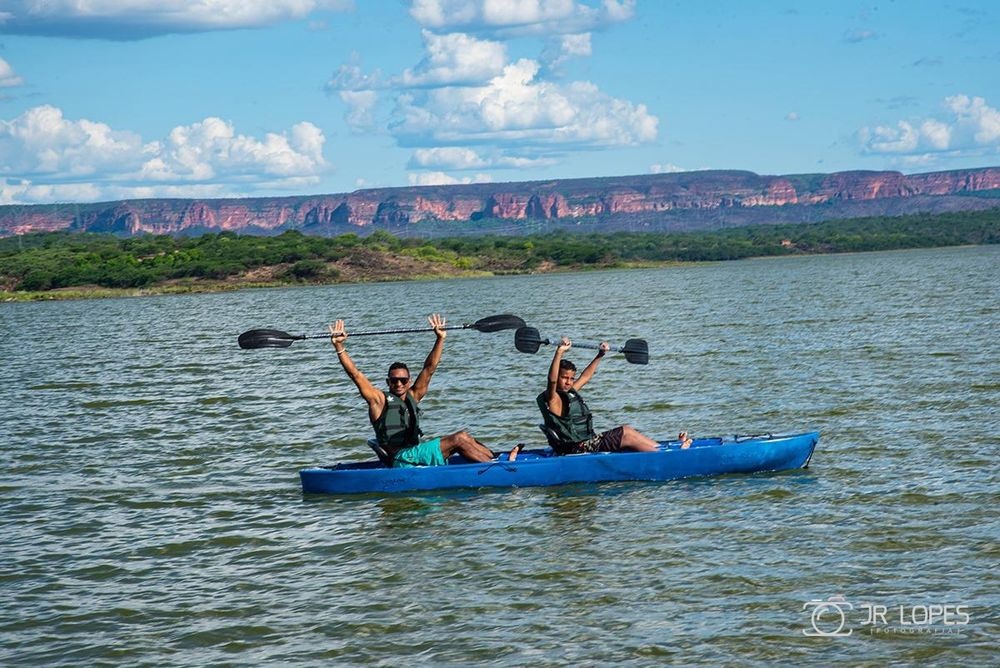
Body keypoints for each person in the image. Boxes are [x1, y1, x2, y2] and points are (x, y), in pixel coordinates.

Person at [329, 314, 512, 467]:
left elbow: (429, 368)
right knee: (459, 439)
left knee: (466, 437)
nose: (399, 384)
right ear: (388, 382)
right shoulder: (379, 400)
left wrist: (440, 339)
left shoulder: (413, 396)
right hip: (403, 459)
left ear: (409, 381)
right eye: (394, 381)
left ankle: (495, 460)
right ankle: (498, 470)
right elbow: (355, 375)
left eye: (403, 380)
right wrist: (339, 346)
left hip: (414, 453)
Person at [537, 336, 691, 454]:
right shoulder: (553, 398)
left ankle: (662, 450)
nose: (569, 382)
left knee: (627, 430)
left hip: (586, 442)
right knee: (626, 435)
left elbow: (585, 377)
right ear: (557, 378)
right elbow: (551, 381)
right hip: (577, 448)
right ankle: (666, 456)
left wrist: (600, 355)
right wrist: (559, 352)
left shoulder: (569, 392)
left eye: (571, 378)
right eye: (564, 378)